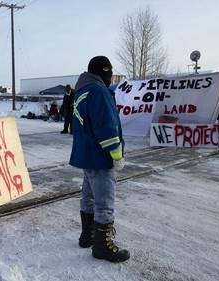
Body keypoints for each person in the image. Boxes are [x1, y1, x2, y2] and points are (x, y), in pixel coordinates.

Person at [69, 56, 130, 263]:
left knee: (89, 197)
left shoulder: (81, 92)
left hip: (85, 156)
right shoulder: (99, 91)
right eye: (109, 71)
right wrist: (116, 154)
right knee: (104, 202)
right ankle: (102, 247)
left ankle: (88, 236)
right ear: (104, 71)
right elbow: (106, 127)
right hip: (100, 157)